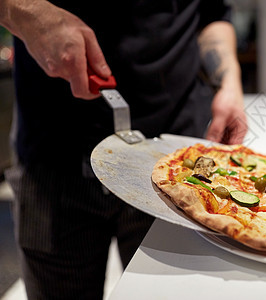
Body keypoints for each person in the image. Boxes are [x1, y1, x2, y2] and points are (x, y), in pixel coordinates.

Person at [0, 0, 247, 298]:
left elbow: (211, 13)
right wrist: (27, 12)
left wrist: (229, 82)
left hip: (175, 170)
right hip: (54, 156)